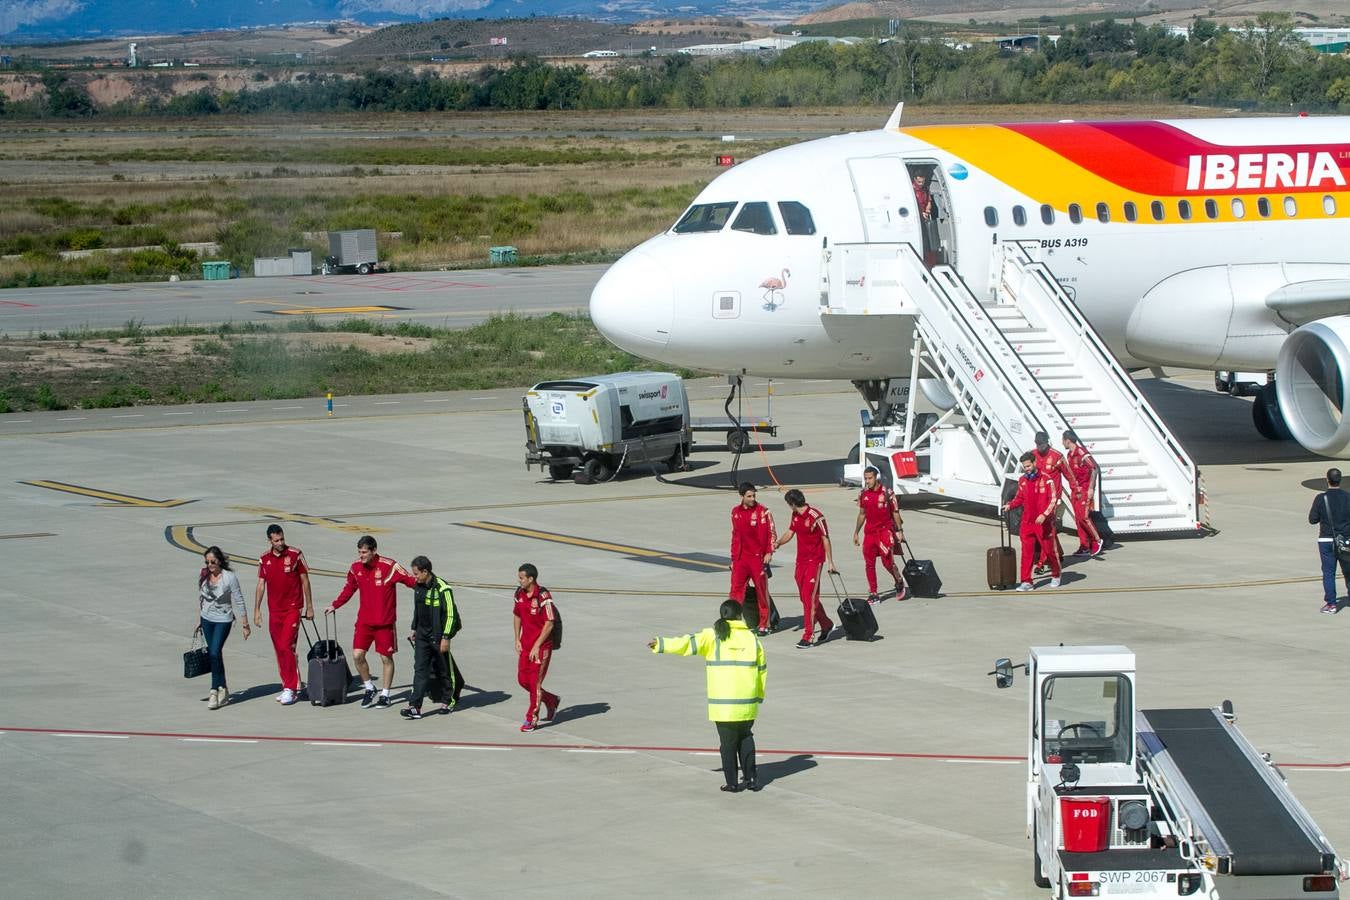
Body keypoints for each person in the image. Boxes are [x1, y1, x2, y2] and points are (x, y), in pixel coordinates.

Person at [648, 599, 766, 793]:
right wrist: (759, 696)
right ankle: (752, 779)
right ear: (740, 616)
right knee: (746, 738)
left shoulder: (713, 636)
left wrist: (661, 644)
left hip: (723, 705)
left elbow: (686, 644)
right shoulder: (752, 638)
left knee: (728, 744)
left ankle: (732, 783)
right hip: (748, 702)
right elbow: (762, 670)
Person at [325, 535, 414, 709]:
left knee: (385, 658)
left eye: (364, 552)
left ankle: (385, 695)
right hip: (364, 622)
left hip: (384, 623)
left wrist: (430, 586)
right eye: (359, 552)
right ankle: (369, 687)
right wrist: (335, 605)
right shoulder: (355, 568)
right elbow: (349, 589)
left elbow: (410, 581)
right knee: (357, 656)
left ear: (374, 550)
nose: (361, 556)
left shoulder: (390, 566)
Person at [253, 524, 313, 706]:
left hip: (293, 608)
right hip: (275, 610)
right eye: (276, 540)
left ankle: (291, 688)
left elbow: (305, 580)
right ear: (270, 540)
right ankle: (289, 684)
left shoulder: (295, 554)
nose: (280, 543)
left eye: (282, 539)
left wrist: (309, 606)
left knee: (287, 645)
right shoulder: (264, 559)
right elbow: (261, 585)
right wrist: (257, 609)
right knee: (280, 649)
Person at [401, 555, 464, 720]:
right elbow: (418, 608)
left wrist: (446, 637)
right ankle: (415, 706)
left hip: (438, 635)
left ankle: (449, 700)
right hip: (422, 635)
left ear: (425, 571)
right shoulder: (418, 586)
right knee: (420, 670)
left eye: (416, 574)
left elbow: (451, 615)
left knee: (445, 670)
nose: (414, 577)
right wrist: (414, 627)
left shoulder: (443, 588)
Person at [773, 488, 836, 649]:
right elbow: (791, 531)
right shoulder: (795, 515)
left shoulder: (816, 516)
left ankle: (808, 635)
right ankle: (826, 624)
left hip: (815, 561)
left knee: (809, 597)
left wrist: (830, 562)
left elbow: (825, 539)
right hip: (801, 561)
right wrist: (779, 542)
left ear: (792, 504)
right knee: (805, 596)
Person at [197, 546, 249, 710]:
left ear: (219, 560)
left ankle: (214, 690)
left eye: (213, 561)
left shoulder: (229, 577)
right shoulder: (204, 574)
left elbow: (239, 600)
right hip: (206, 618)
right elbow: (202, 598)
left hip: (223, 620)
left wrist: (245, 624)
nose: (210, 565)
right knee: (215, 654)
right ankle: (223, 687)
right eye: (207, 562)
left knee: (214, 652)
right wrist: (199, 617)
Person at [1003, 452, 1062, 591]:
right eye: (1024, 467)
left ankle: (1056, 574)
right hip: (1027, 522)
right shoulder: (1022, 480)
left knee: (1049, 551)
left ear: (1035, 463)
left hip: (1043, 523)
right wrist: (1010, 505)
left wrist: (1044, 515)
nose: (1027, 469)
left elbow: (1053, 500)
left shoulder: (1047, 479)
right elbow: (1019, 498)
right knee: (1026, 553)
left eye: (1029, 466)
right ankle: (1026, 581)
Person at [514, 562, 560, 733]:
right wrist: (517, 638)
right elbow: (517, 615)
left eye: (521, 578)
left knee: (534, 683)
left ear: (531, 579)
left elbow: (549, 623)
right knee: (522, 680)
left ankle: (531, 719)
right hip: (525, 645)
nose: (519, 581)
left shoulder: (543, 596)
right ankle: (550, 699)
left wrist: (537, 645)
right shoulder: (519, 594)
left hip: (541, 647)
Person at [852, 465, 907, 604]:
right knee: (869, 564)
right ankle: (873, 592)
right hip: (869, 533)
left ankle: (899, 581)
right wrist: (856, 532)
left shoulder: (888, 493)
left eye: (869, 478)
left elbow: (895, 513)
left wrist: (900, 531)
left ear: (876, 478)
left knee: (887, 562)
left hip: (885, 532)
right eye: (865, 479)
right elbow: (862, 514)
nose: (867, 481)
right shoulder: (863, 494)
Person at [730, 481, 777, 636]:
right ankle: (732, 621)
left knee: (761, 591)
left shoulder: (764, 512)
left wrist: (769, 552)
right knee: (735, 591)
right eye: (749, 496)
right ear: (742, 496)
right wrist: (733, 558)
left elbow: (771, 533)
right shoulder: (735, 512)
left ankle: (764, 624)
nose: (752, 499)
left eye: (754, 495)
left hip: (758, 559)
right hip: (741, 559)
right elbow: (735, 536)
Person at [1309, 467, 1350, 614]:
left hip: (1326, 540)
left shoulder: (1321, 498)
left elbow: (1312, 520)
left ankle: (1331, 604)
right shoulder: (1347, 497)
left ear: (1327, 480)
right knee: (1348, 571)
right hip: (1345, 540)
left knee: (1329, 573)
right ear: (1340, 480)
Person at [1031, 431, 1069, 573]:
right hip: (1037, 499)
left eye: (1042, 444)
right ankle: (1057, 553)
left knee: (1048, 530)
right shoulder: (1032, 455)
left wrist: (1076, 490)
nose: (1040, 447)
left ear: (1047, 442)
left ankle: (1041, 563)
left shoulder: (1057, 456)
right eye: (1037, 444)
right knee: (1044, 529)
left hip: (1052, 499)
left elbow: (1069, 475)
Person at [1062, 431, 1103, 557]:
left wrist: (1091, 488)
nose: (1062, 442)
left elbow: (1094, 468)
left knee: (1084, 516)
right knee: (1078, 519)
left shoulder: (1081, 453)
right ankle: (1084, 546)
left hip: (1085, 489)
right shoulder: (1069, 455)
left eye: (1063, 440)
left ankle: (1097, 540)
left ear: (1067, 440)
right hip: (1075, 491)